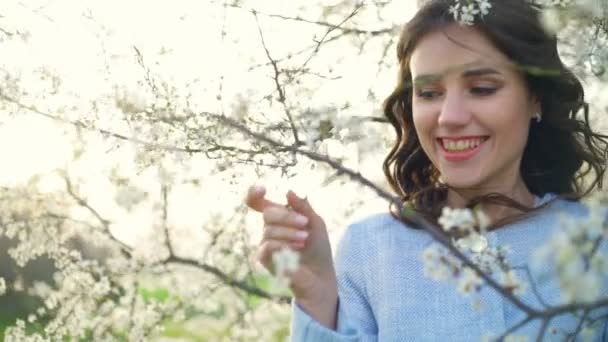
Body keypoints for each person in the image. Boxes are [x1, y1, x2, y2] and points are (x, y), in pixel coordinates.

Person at [245, 0, 608, 340]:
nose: (449, 118)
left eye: (481, 88)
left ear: (536, 98)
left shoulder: (595, 242)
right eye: (429, 93)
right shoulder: (370, 250)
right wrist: (318, 297)